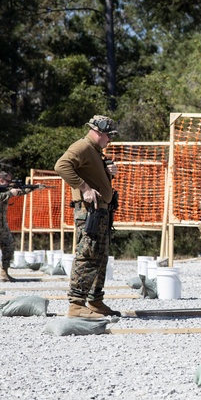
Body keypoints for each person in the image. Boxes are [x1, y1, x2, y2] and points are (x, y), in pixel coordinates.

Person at [54, 115, 120, 319]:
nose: (110, 140)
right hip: (89, 211)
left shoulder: (95, 151)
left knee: (100, 257)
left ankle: (95, 300)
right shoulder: (82, 146)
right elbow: (61, 165)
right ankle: (76, 304)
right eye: (108, 136)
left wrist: (109, 173)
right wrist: (84, 188)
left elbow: (91, 174)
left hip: (100, 211)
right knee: (87, 255)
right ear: (98, 131)